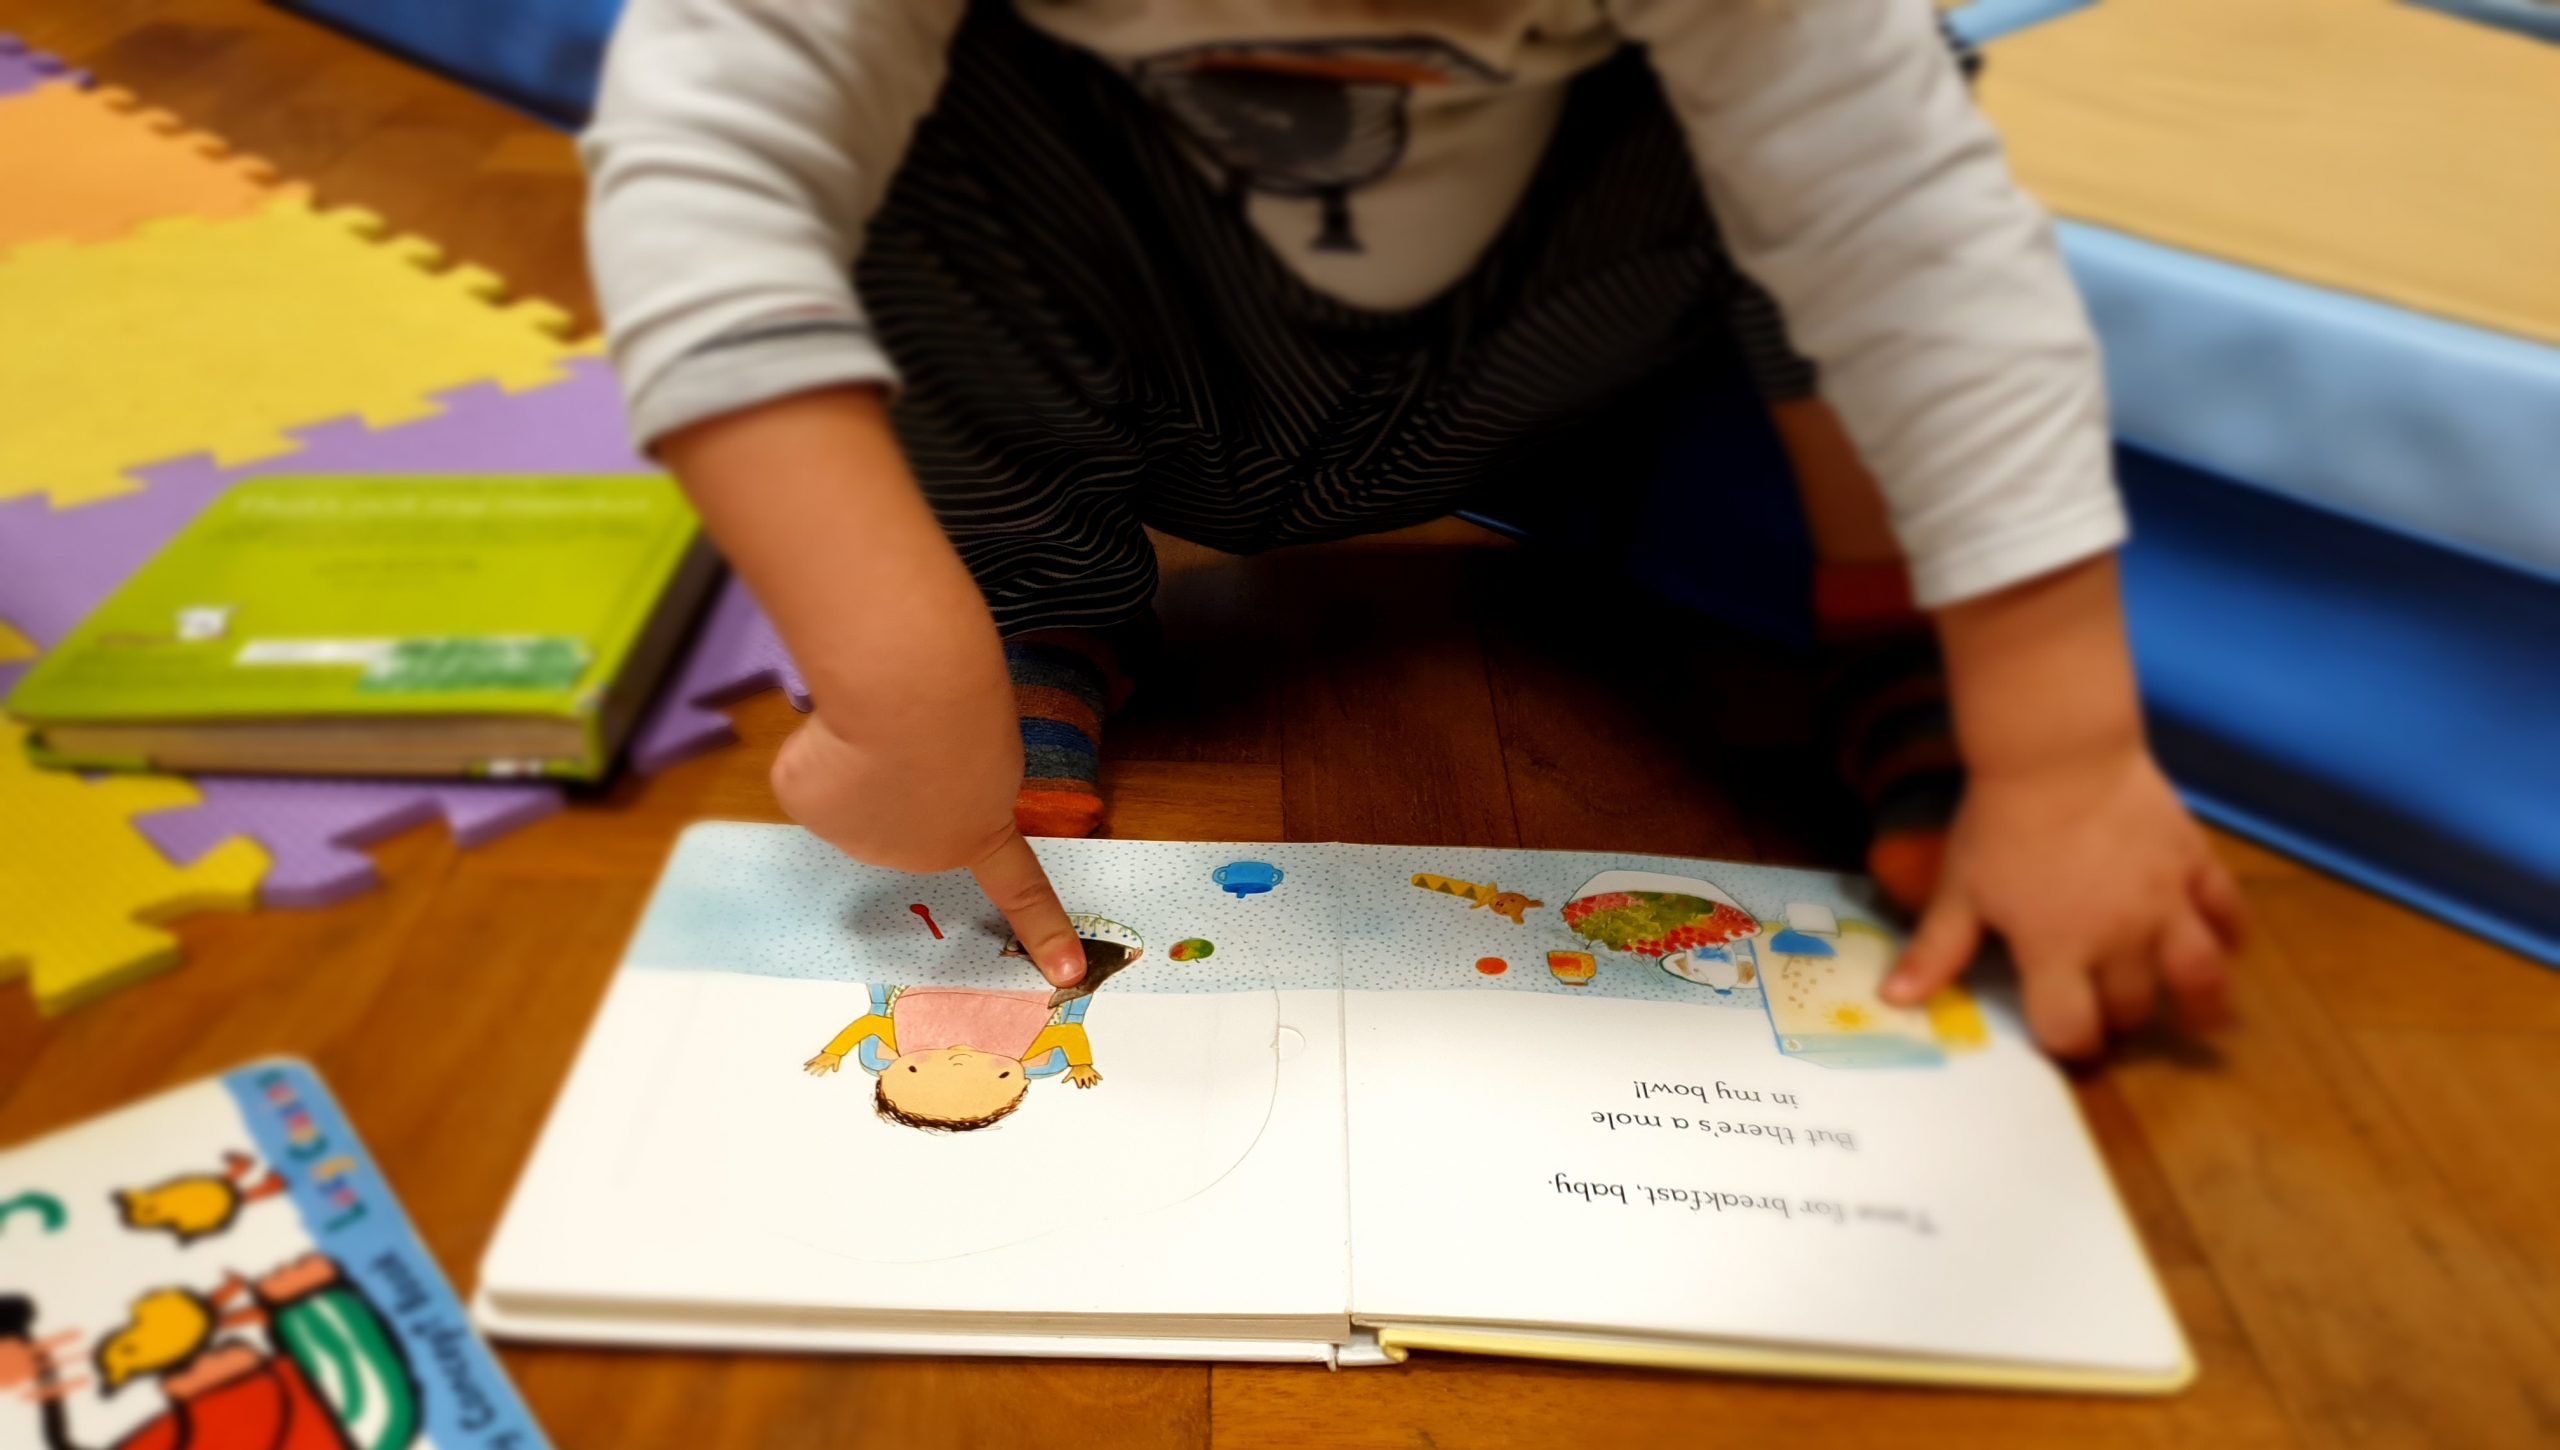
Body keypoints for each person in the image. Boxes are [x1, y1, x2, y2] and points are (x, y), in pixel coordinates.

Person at [585, 0, 2244, 1058]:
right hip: (1120, 324)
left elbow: (1915, 238)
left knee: (1851, 146)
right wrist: (895, 660)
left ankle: (1895, 632)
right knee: (884, 142)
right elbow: (707, 170)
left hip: (1552, 358)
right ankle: (1025, 591)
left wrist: (2063, 746)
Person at [806, 983, 1103, 1132]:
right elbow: (1068, 1033)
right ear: (1021, 1079)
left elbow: (869, 1024)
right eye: (999, 1075)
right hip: (1024, 980)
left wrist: (833, 1051)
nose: (957, 1063)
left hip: (937, 973)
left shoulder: (908, 1039)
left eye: (913, 1069)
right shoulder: (1024, 1050)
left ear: (890, 1066)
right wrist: (1080, 1063)